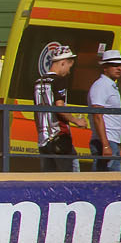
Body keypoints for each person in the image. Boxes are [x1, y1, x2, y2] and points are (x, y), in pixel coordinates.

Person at [33, 42, 81, 171]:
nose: (69, 72)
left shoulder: (39, 82)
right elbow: (60, 107)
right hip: (59, 136)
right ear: (63, 62)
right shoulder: (59, 81)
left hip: (43, 139)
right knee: (72, 175)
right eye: (69, 67)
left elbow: (36, 111)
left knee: (49, 178)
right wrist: (77, 120)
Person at [89, 48, 121, 171]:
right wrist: (105, 145)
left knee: (110, 179)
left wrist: (117, 146)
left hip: (111, 141)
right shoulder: (101, 85)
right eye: (115, 65)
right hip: (105, 141)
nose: (119, 68)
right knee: (107, 179)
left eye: (120, 65)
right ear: (105, 67)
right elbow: (97, 115)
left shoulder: (110, 86)